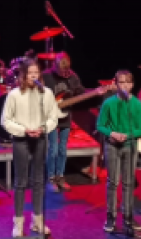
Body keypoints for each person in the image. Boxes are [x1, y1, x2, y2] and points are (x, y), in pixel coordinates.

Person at [2, 59, 58, 237]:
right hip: (21, 140)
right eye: (30, 73)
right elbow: (6, 120)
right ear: (23, 75)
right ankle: (18, 223)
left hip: (40, 139)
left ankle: (37, 221)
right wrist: (24, 130)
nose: (34, 76)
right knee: (20, 182)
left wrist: (43, 128)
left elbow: (53, 117)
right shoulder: (14, 94)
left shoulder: (46, 93)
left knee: (39, 181)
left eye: (36, 72)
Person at [42, 52, 109, 192]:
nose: (64, 74)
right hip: (50, 118)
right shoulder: (46, 76)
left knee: (62, 149)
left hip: (66, 116)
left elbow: (81, 93)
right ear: (54, 66)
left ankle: (60, 177)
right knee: (53, 149)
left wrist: (95, 92)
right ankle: (51, 178)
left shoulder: (73, 77)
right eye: (61, 71)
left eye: (66, 71)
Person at [97, 70, 141, 234]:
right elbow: (100, 125)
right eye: (121, 82)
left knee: (128, 182)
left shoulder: (137, 104)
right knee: (113, 182)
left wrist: (128, 135)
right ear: (116, 85)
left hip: (129, 146)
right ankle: (111, 216)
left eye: (127, 82)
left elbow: (140, 128)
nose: (124, 86)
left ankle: (128, 216)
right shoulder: (109, 103)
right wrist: (112, 133)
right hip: (112, 146)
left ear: (132, 85)